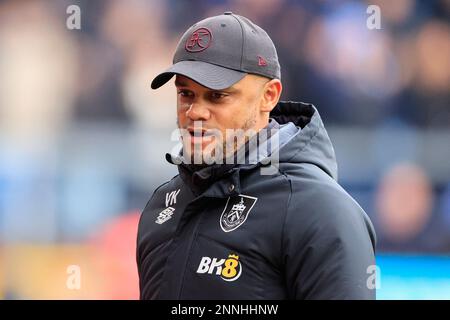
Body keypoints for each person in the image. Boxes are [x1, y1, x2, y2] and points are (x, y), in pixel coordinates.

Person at [137, 12, 376, 300]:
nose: (195, 112)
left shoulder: (319, 211)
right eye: (186, 94)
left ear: (269, 96)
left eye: (217, 96)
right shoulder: (163, 205)